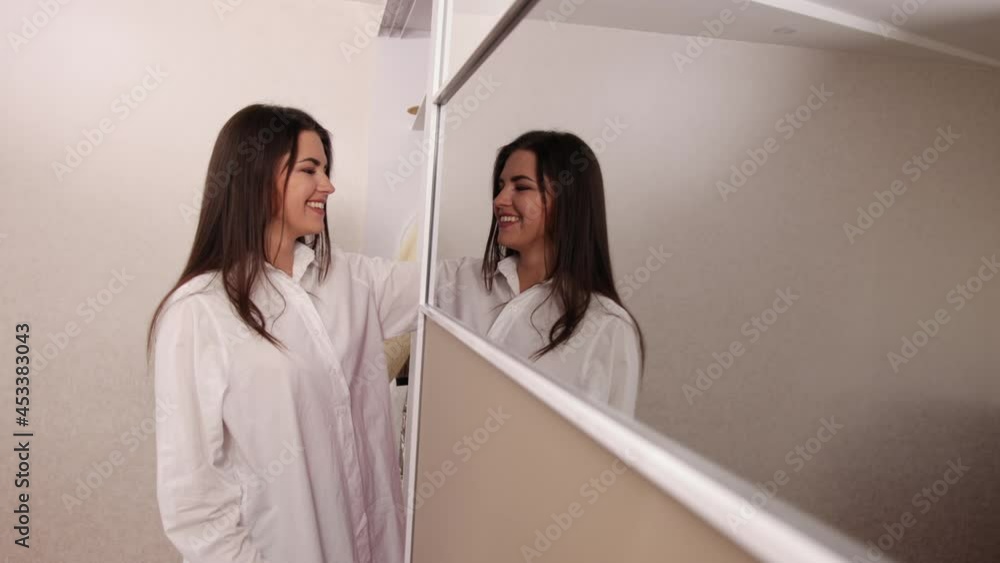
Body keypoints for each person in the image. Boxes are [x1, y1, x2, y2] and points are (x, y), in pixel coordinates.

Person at [146, 104, 418, 563]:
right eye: (310, 169)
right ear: (256, 176)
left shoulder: (352, 282)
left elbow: (448, 288)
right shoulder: (200, 313)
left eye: (326, 170)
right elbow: (193, 502)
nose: (328, 186)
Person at [436, 130, 644, 415]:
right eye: (501, 186)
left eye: (520, 187)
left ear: (567, 200)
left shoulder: (607, 328)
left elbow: (606, 455)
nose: (499, 200)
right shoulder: (456, 280)